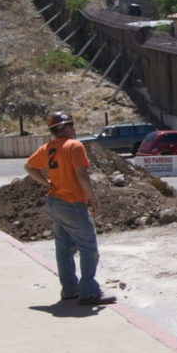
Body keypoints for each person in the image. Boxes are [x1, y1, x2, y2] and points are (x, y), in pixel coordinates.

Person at [24, 112, 116, 306]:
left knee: (64, 249)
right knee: (88, 248)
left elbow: (29, 167)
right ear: (63, 127)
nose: (74, 128)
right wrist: (94, 199)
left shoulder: (47, 148)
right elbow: (82, 176)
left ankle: (69, 290)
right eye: (71, 125)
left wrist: (46, 182)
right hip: (73, 203)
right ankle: (89, 292)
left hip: (54, 202)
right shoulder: (74, 146)